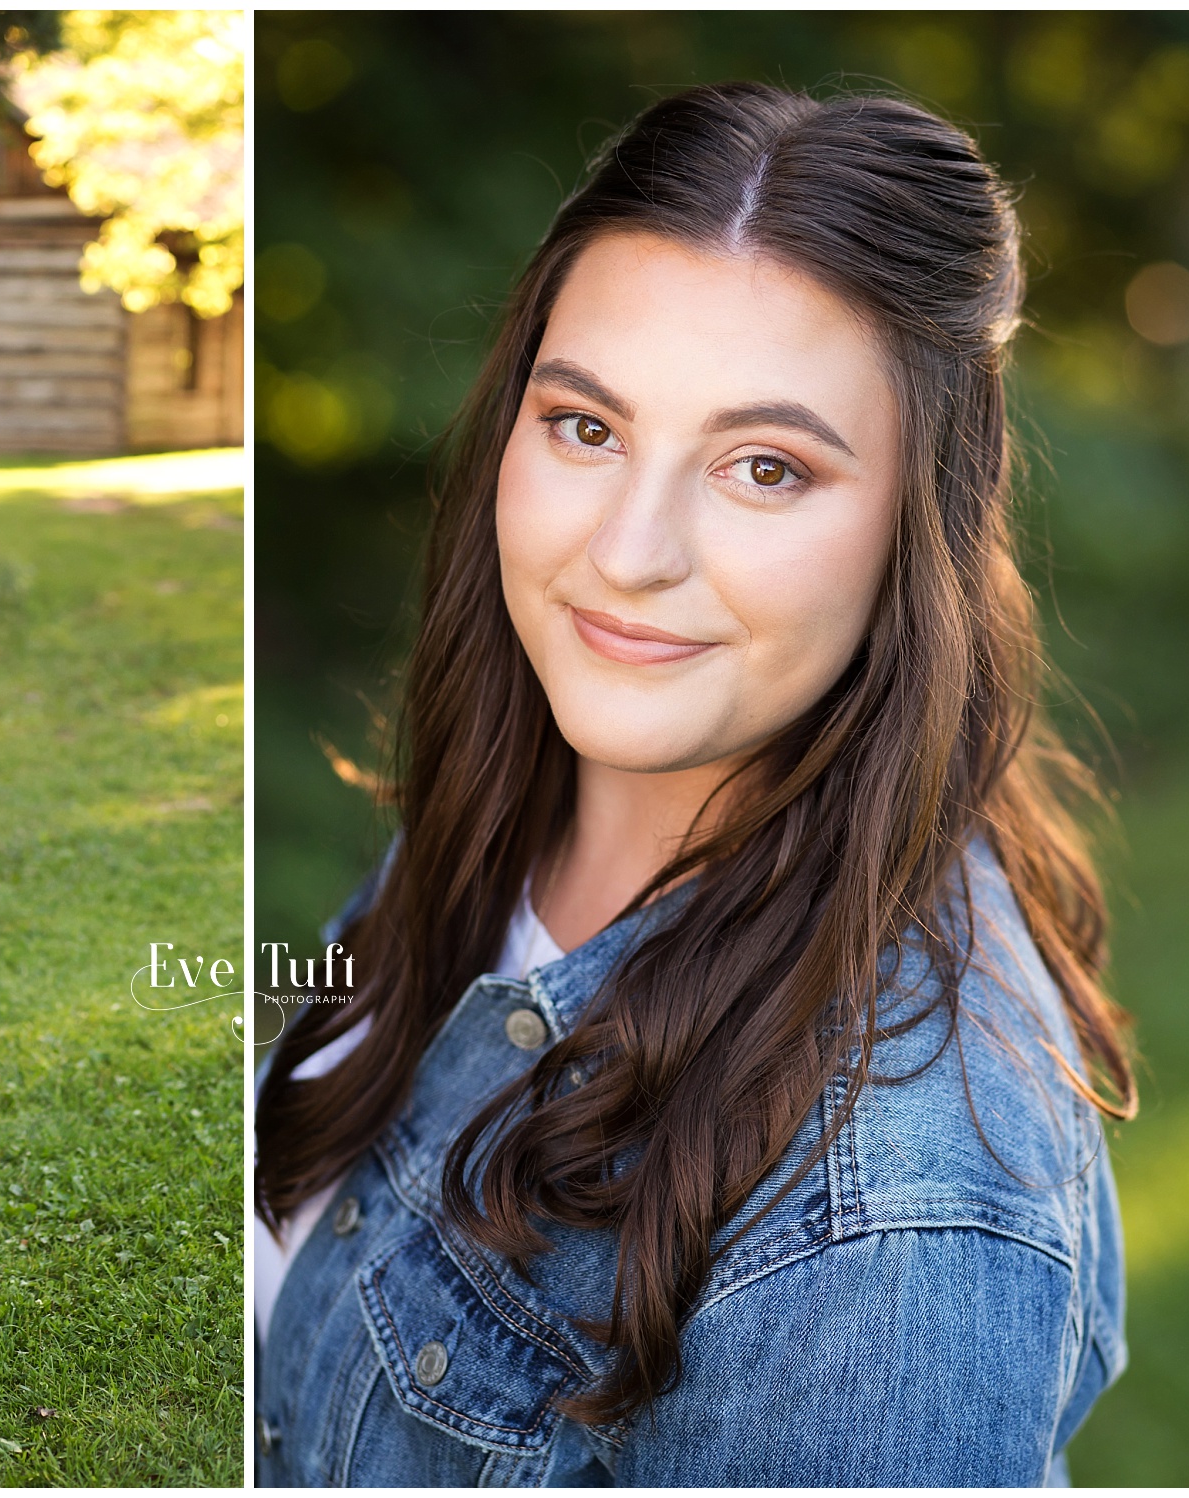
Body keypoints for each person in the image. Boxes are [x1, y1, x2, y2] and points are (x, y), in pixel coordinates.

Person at [253, 83, 1136, 1485]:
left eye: (766, 467)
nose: (630, 551)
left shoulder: (898, 1228)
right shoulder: (526, 797)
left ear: (922, 525)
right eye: (587, 428)